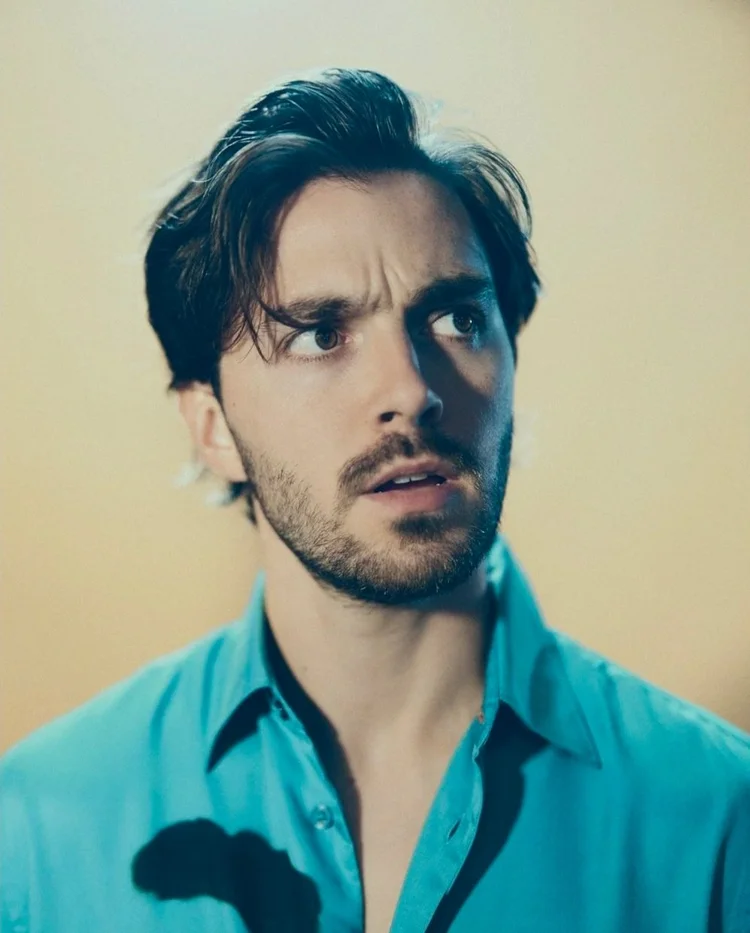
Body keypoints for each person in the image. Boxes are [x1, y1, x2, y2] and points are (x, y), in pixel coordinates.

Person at [0, 68, 748, 933]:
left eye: (457, 319)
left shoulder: (715, 815)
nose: (412, 391)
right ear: (213, 426)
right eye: (321, 334)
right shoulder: (44, 829)